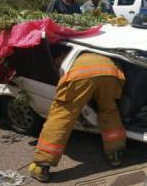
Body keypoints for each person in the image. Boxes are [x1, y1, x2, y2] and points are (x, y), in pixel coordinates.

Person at [28, 53, 127, 182]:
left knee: (62, 116)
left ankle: (41, 165)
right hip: (111, 73)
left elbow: (59, 67)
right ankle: (115, 154)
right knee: (109, 111)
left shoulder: (63, 54)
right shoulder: (95, 50)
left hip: (81, 75)